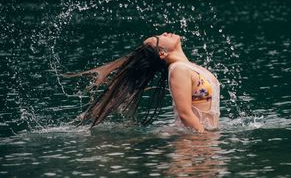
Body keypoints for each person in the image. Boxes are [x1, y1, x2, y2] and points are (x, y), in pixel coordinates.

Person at [65, 32, 220, 133]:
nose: (164, 33)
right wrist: (205, 140)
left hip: (200, 137)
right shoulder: (178, 69)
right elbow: (185, 114)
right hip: (191, 143)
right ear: (162, 53)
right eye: (159, 38)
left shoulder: (191, 67)